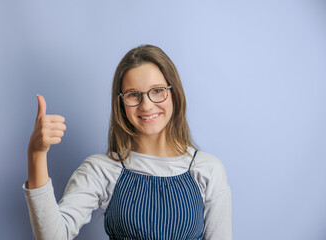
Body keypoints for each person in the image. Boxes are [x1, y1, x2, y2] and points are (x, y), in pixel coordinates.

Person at [23, 44, 232, 240]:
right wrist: (36, 154)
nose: (147, 106)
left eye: (157, 90)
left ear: (174, 93)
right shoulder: (101, 170)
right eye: (134, 95)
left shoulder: (208, 170)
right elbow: (53, 236)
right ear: (121, 103)